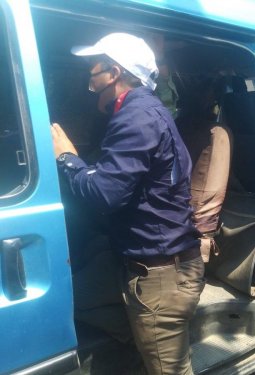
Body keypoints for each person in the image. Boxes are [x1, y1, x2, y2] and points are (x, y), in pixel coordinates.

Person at [51, 32, 205, 375]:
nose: (90, 81)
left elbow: (104, 195)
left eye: (94, 72)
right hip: (164, 268)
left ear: (114, 72)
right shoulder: (147, 111)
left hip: (161, 277)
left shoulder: (135, 117)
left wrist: (66, 158)